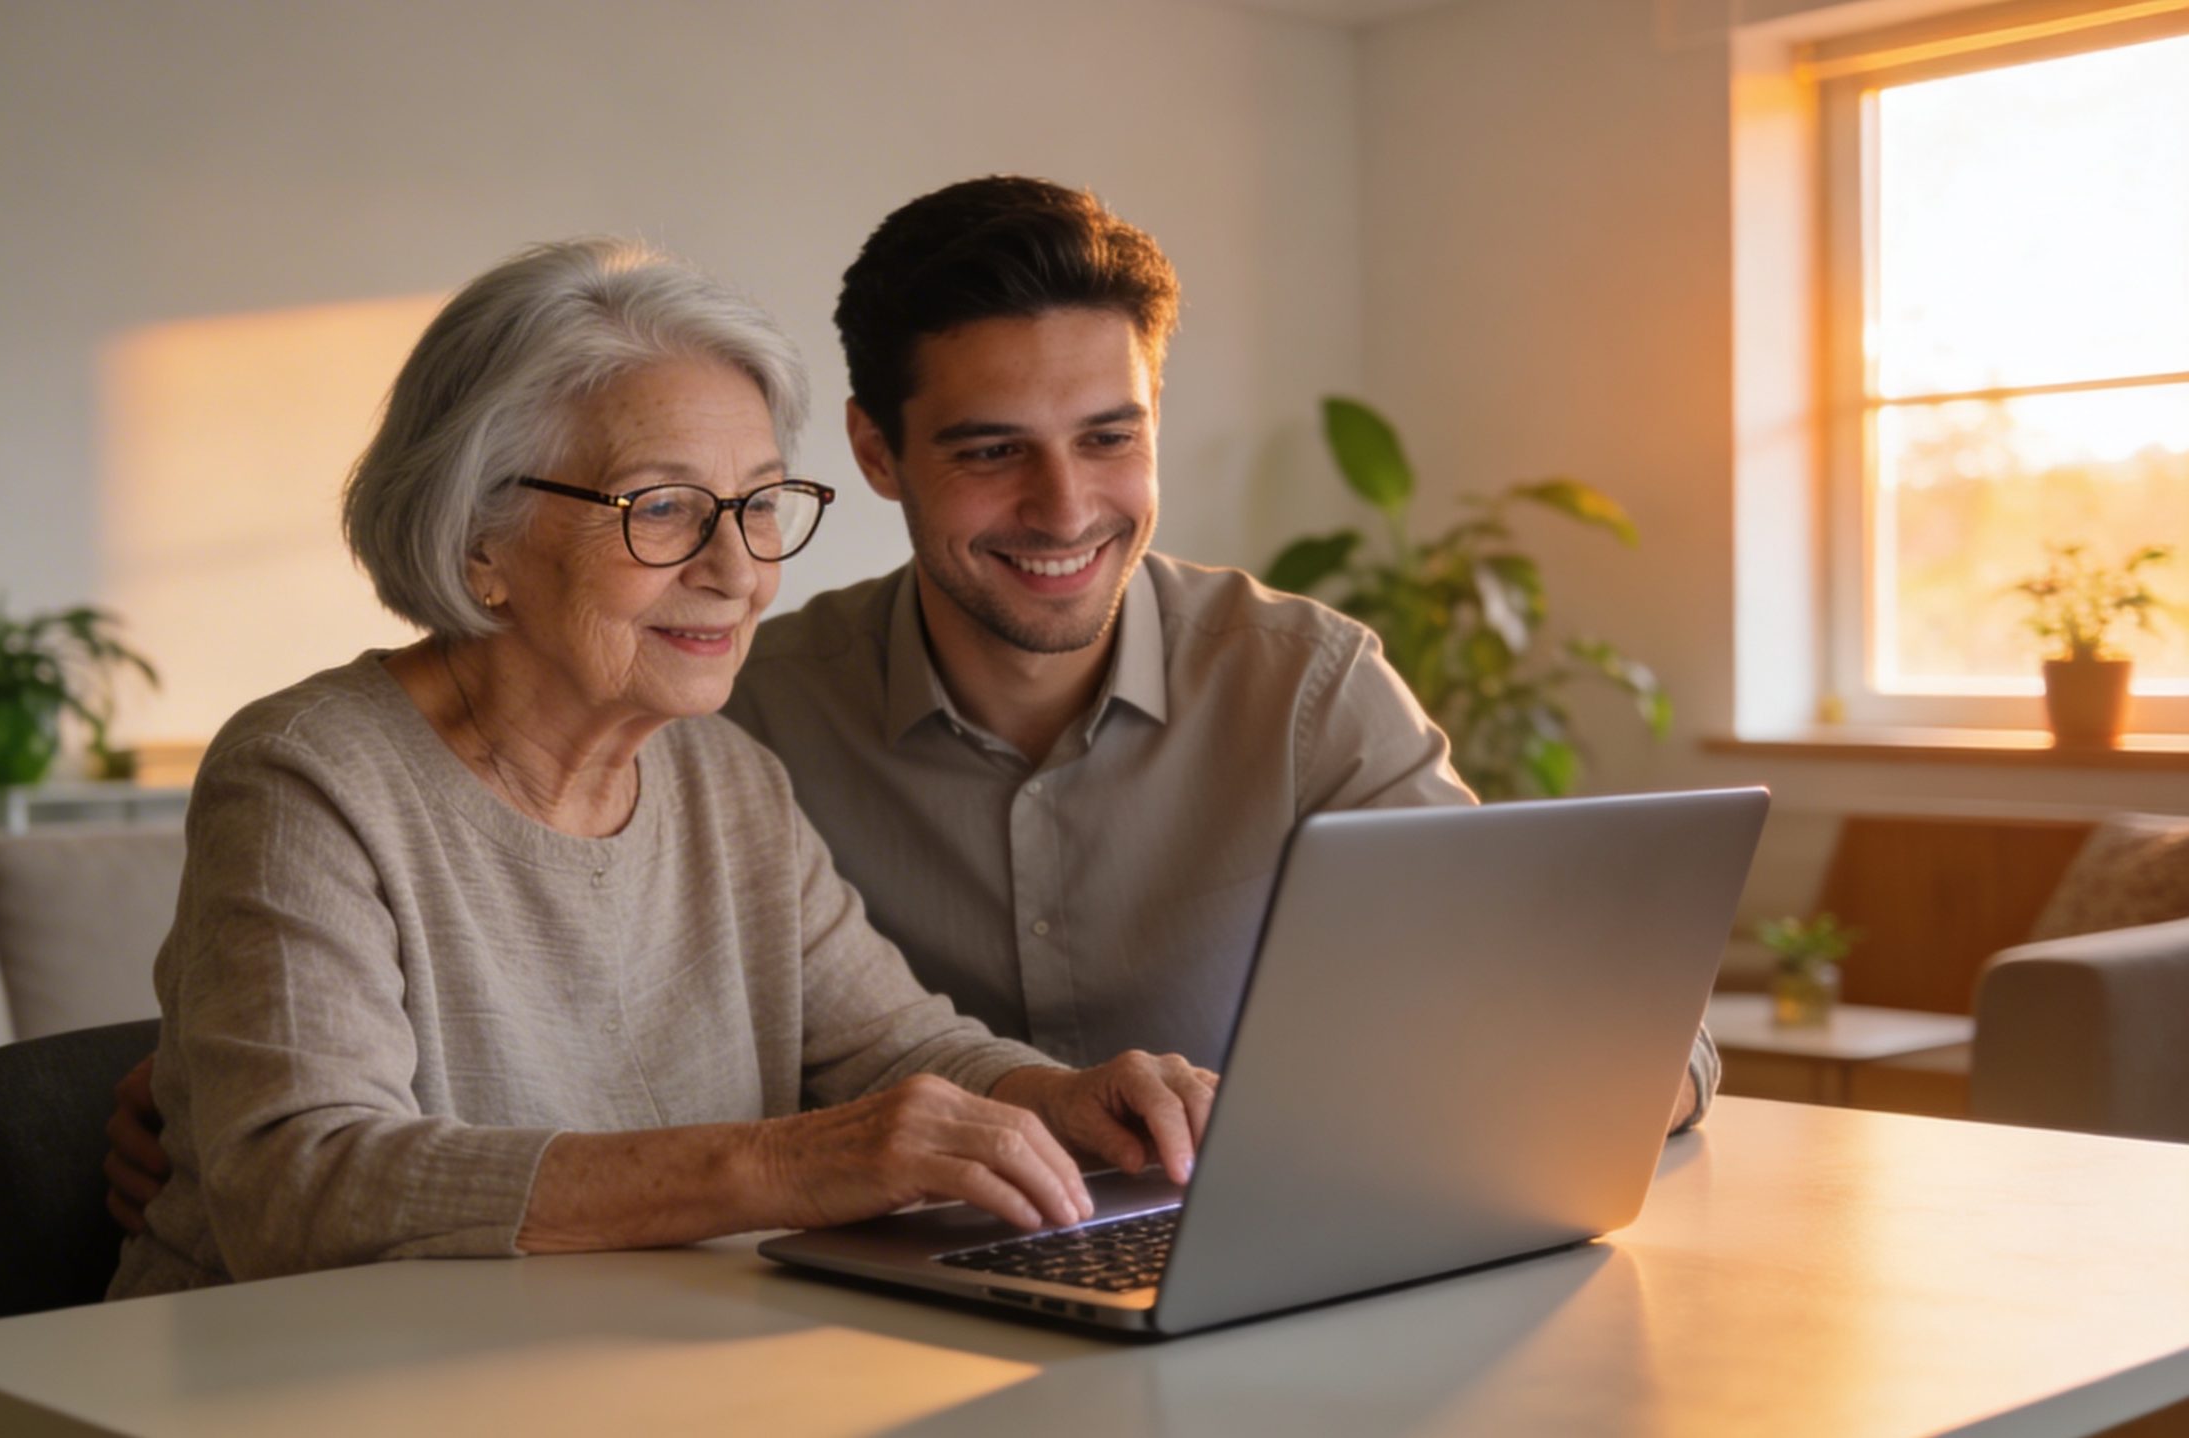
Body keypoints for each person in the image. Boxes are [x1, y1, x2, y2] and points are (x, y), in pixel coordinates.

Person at [106, 238, 1214, 1297]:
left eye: (760, 504)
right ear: (478, 542)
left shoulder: (724, 778)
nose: (737, 571)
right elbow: (304, 1180)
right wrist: (780, 1169)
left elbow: (898, 1049)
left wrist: (1071, 1101)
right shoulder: (311, 775)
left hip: (631, 1365)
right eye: (664, 508)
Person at [720, 176, 1717, 1125]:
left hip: (1240, 1263)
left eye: (1110, 439)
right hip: (861, 1280)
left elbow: (1621, 1032)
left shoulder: (1307, 687)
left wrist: (1588, 1076)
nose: (1064, 509)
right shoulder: (747, 716)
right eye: (990, 451)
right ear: (875, 452)